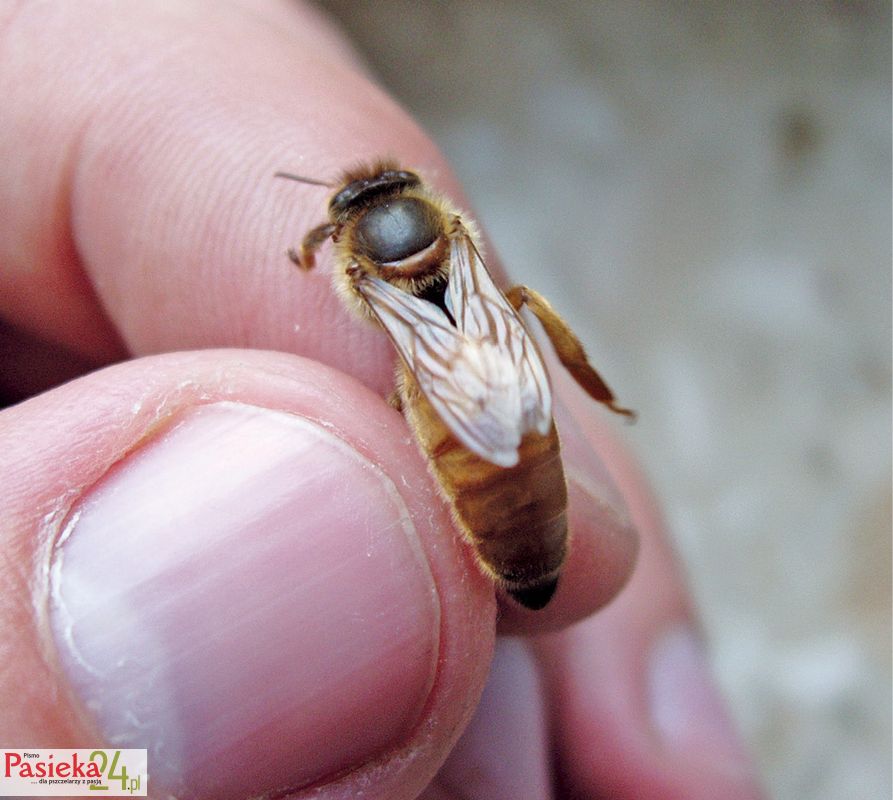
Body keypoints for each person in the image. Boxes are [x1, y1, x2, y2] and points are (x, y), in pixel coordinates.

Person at [0, 3, 765, 798]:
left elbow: (330, 265)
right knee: (519, 306)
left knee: (395, 402)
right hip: (506, 415)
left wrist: (311, 243)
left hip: (468, 419)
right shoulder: (452, 242)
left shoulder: (358, 264)